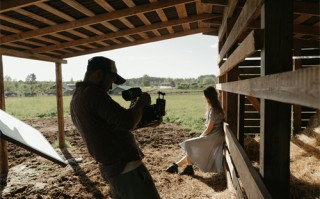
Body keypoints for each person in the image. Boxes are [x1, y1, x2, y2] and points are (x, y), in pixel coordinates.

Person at [70, 56, 160, 199]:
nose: (111, 86)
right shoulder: (94, 94)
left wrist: (143, 121)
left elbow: (110, 126)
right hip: (127, 169)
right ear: (99, 74)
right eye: (111, 79)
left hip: (113, 169)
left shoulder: (78, 96)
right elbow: (127, 121)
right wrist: (142, 101)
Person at [166, 86, 225, 176]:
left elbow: (209, 129)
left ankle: (186, 168)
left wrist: (200, 137)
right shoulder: (216, 108)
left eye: (204, 96)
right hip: (216, 136)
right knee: (191, 147)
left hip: (214, 137)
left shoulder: (214, 111)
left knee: (188, 144)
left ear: (208, 97)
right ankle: (177, 166)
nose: (203, 98)